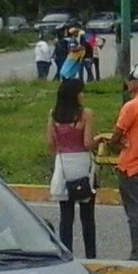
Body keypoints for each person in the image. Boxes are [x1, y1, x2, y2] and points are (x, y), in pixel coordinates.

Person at [99, 64, 138, 262]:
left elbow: (118, 133)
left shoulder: (132, 106)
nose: (129, 82)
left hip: (131, 164)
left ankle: (137, 254)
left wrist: (113, 144)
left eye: (132, 79)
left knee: (135, 212)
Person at [47, 78, 98, 258]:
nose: (83, 95)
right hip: (83, 165)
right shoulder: (86, 114)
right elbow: (87, 142)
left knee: (66, 217)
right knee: (87, 217)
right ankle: (91, 255)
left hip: (64, 166)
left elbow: (50, 144)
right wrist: (98, 140)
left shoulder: (54, 115)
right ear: (75, 95)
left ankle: (67, 254)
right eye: (81, 91)